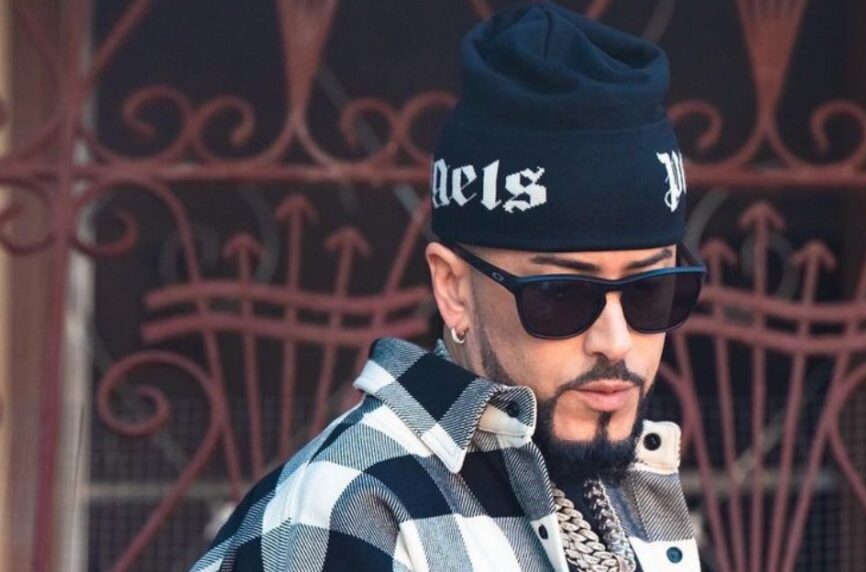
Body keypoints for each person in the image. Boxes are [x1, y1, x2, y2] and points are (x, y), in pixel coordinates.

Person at [191, 2, 702, 570]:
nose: (616, 341)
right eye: (562, 296)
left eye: (651, 290)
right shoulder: (351, 509)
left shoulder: (613, 481)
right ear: (454, 289)